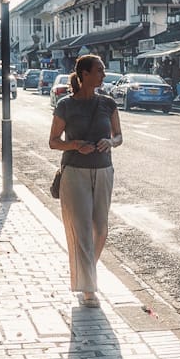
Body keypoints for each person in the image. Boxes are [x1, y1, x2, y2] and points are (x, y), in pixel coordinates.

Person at [48, 54, 123, 308]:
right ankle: (89, 288)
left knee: (100, 229)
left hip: (104, 170)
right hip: (74, 173)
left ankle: (86, 273)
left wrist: (110, 142)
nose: (103, 74)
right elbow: (53, 141)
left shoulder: (108, 103)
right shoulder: (65, 105)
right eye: (99, 70)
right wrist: (75, 145)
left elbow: (119, 136)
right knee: (81, 231)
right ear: (85, 75)